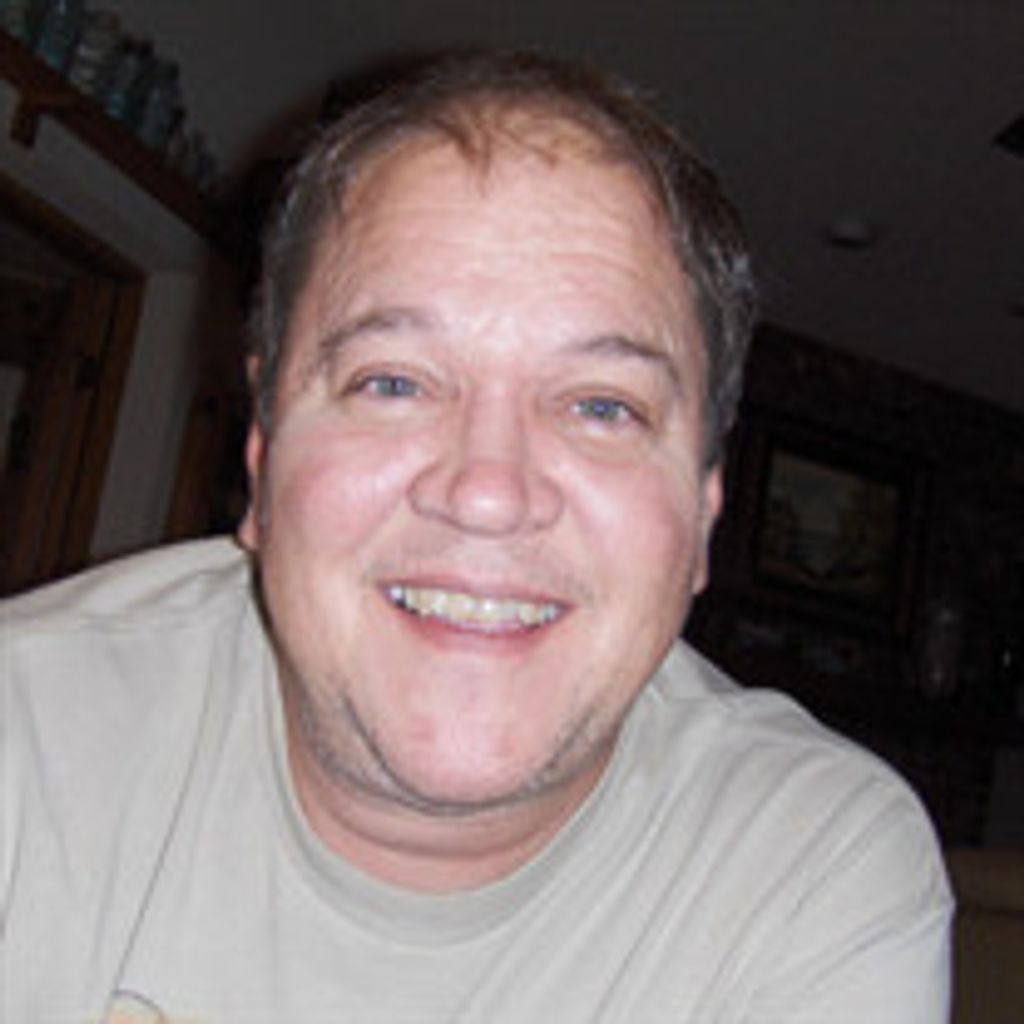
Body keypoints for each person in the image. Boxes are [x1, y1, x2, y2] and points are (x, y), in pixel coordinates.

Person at [2, 50, 951, 1022]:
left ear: (704, 512)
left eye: (601, 406)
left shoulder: (807, 865)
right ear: (263, 456)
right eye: (392, 383)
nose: (488, 493)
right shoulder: (21, 737)